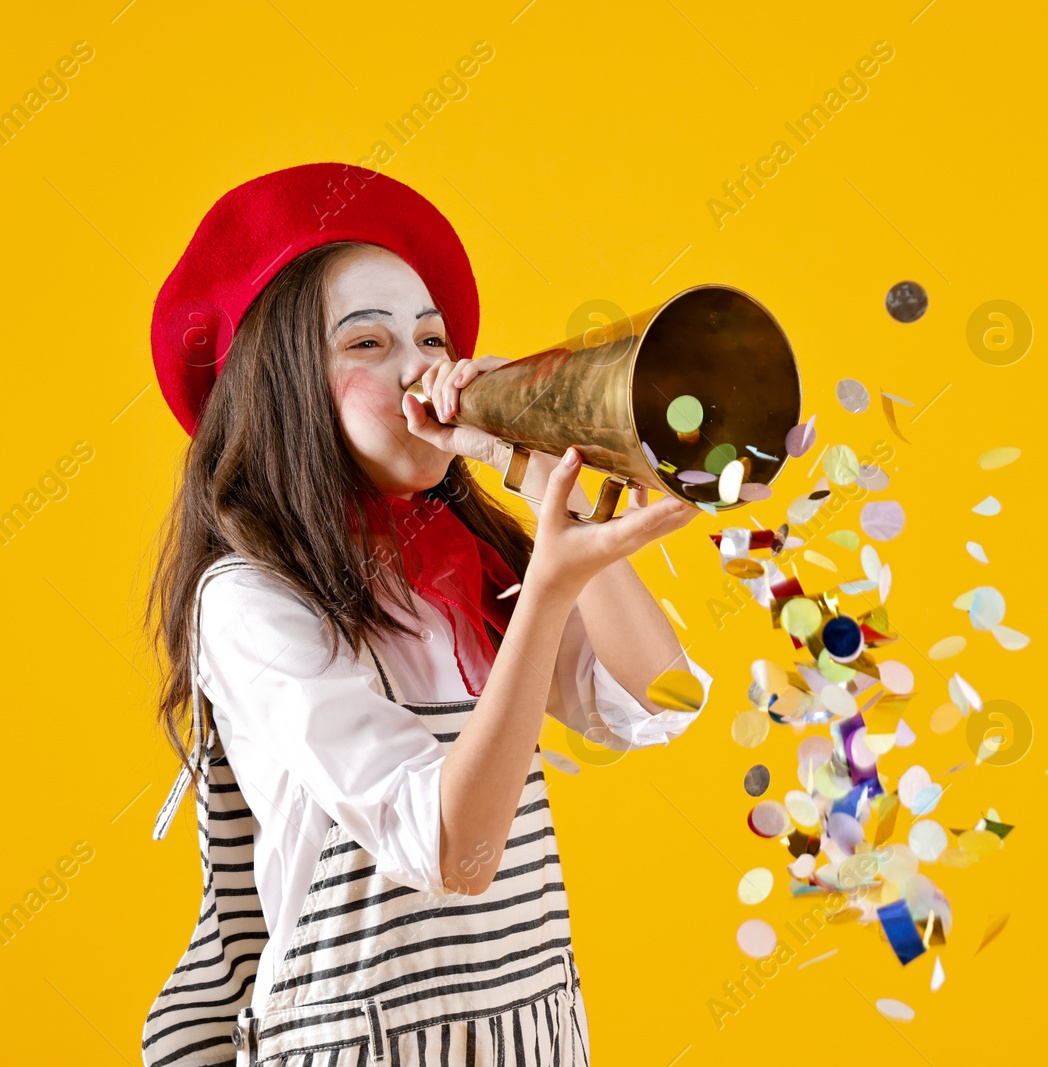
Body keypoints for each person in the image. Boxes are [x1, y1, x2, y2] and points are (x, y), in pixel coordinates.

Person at [139, 162, 710, 1066]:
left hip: (528, 1033)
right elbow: (454, 853)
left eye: (432, 337)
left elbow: (664, 698)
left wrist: (545, 491)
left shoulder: (465, 566)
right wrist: (554, 584)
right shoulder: (249, 601)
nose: (423, 369)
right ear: (284, 386)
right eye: (367, 343)